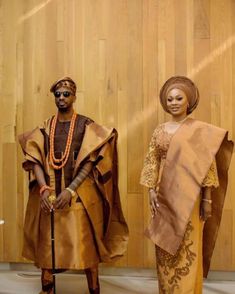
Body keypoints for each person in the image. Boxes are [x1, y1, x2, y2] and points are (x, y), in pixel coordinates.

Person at [19, 77, 129, 294]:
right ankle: (48, 288)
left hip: (79, 194)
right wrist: (43, 189)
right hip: (50, 194)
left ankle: (94, 288)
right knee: (48, 246)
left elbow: (91, 160)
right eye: (57, 95)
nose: (61, 98)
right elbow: (35, 159)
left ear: (74, 96)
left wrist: (71, 190)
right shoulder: (46, 126)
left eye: (66, 94)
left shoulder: (86, 126)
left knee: (85, 246)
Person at [140, 76, 233, 293]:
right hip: (163, 194)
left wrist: (207, 199)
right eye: (170, 99)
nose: (173, 102)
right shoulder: (159, 130)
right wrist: (151, 191)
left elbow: (208, 165)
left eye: (178, 98)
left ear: (188, 101)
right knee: (164, 245)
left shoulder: (199, 131)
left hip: (191, 196)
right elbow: (151, 160)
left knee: (188, 244)